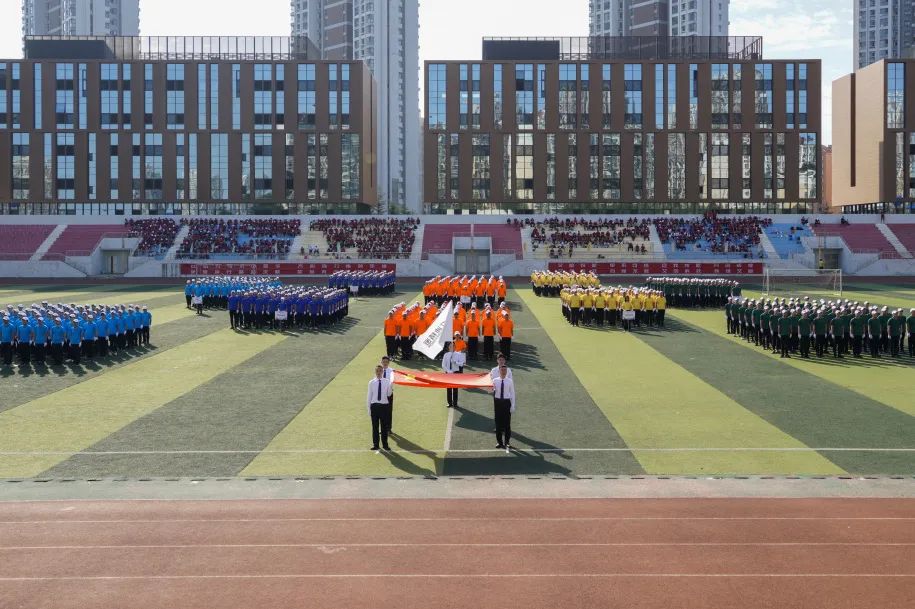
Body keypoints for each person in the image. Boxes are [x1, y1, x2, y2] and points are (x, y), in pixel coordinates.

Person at [366, 365, 393, 451]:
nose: (378, 372)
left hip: (384, 406)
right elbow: (369, 396)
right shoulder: (371, 382)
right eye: (377, 371)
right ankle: (376, 445)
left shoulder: (387, 382)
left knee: (384, 427)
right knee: (375, 427)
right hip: (374, 406)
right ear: (375, 372)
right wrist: (368, 409)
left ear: (382, 372)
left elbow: (389, 394)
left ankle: (385, 445)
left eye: (380, 371)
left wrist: (391, 386)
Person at [491, 365, 516, 450]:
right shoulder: (494, 380)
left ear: (507, 372)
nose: (503, 372)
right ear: (499, 371)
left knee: (507, 424)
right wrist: (490, 387)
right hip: (498, 403)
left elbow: (512, 393)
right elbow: (490, 390)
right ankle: (499, 442)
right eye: (502, 370)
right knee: (498, 424)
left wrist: (512, 405)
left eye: (505, 370)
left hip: (506, 402)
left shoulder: (510, 381)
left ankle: (507, 442)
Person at [442, 341, 464, 408]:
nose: (452, 347)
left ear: (455, 347)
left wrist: (455, 362)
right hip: (448, 373)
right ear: (448, 347)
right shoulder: (446, 355)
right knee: (449, 388)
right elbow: (443, 365)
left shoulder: (459, 354)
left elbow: (462, 364)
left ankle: (455, 403)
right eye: (450, 346)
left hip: (456, 373)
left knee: (455, 389)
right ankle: (449, 403)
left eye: (453, 346)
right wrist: (448, 371)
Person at [380, 356, 395, 432]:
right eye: (383, 362)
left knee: (389, 411)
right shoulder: (379, 370)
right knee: (381, 412)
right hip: (381, 394)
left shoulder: (392, 371)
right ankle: (383, 428)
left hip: (389, 393)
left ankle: (389, 428)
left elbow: (392, 380)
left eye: (386, 362)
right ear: (381, 362)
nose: (385, 363)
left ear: (389, 362)